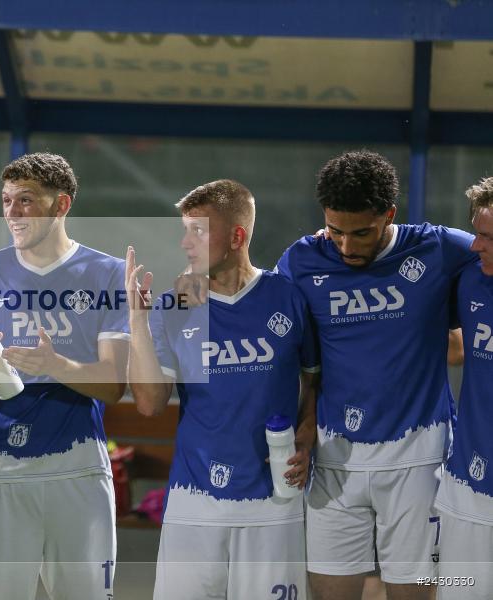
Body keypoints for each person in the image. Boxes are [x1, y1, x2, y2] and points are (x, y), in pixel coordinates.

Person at [275, 150, 476, 600]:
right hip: (333, 461)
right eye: (335, 231)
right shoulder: (303, 261)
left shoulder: (441, 248)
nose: (346, 247)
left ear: (389, 214)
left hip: (419, 461)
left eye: (361, 233)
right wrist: (303, 424)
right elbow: (292, 356)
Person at [126, 180, 319, 599]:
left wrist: (306, 434)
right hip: (194, 502)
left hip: (275, 500)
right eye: (185, 230)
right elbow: (149, 402)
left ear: (237, 236)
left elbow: (315, 380)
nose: (185, 242)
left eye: (198, 231)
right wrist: (138, 323)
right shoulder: (174, 305)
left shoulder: (288, 298)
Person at [0, 152, 128, 600]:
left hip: (78, 468)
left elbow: (112, 385)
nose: (12, 212)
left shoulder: (106, 273)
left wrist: (55, 366)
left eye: (26, 201)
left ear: (61, 205)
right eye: (7, 201)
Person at [434, 177, 493, 599]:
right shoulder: (470, 278)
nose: (475, 245)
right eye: (476, 232)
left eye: (487, 236)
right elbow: (454, 348)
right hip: (470, 484)